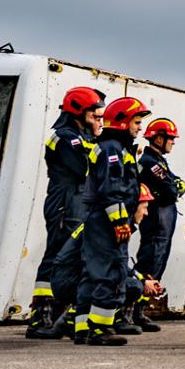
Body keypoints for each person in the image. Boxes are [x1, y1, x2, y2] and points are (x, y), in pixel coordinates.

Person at [25, 86, 103, 339]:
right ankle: (41, 315)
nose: (98, 118)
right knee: (56, 254)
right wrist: (97, 143)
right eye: (94, 113)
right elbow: (85, 168)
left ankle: (64, 315)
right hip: (65, 201)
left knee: (75, 258)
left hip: (80, 201)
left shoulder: (84, 138)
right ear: (79, 111)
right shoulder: (63, 138)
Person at [74, 96, 153, 347]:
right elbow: (112, 188)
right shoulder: (112, 149)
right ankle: (100, 328)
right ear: (122, 121)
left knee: (92, 273)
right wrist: (120, 221)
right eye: (137, 122)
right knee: (112, 271)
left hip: (99, 218)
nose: (139, 127)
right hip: (107, 220)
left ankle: (83, 328)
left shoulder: (113, 147)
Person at [127, 119, 185, 333]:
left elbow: (175, 182)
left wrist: (176, 184)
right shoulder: (151, 162)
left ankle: (139, 310)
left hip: (164, 221)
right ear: (159, 138)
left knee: (157, 262)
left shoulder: (159, 160)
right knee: (150, 261)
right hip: (157, 220)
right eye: (170, 138)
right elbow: (171, 189)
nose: (173, 142)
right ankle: (131, 311)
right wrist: (176, 187)